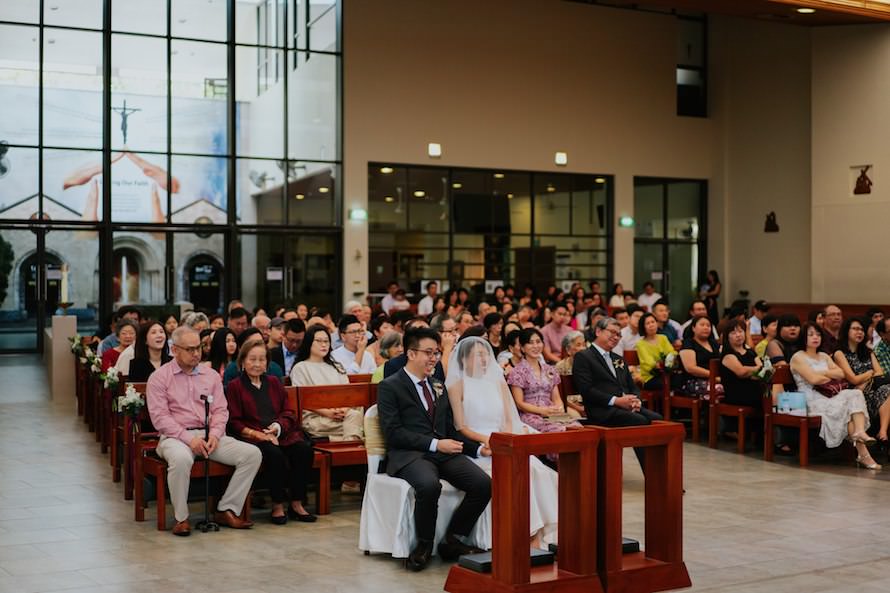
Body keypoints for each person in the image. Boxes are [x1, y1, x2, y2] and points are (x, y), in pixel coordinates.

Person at [376, 327, 492, 571]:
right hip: (410, 454)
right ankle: (424, 544)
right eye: (428, 353)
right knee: (429, 485)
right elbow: (394, 432)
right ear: (410, 353)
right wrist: (434, 444)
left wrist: (479, 449)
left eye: (437, 353)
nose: (434, 359)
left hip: (443, 452)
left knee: (483, 483)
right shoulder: (390, 386)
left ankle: (453, 539)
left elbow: (450, 429)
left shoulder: (438, 385)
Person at [146, 326, 262, 535]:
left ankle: (226, 508)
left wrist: (216, 435)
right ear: (174, 350)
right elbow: (160, 418)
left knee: (252, 454)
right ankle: (182, 518)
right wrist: (189, 440)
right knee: (181, 460)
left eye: (198, 348)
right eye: (190, 349)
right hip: (176, 437)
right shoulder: (159, 377)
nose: (196, 353)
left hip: (210, 435)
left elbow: (221, 410)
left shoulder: (211, 375)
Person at [446, 337, 558, 546]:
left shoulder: (497, 382)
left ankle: (536, 534)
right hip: (479, 445)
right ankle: (526, 536)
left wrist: (505, 438)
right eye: (478, 355)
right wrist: (488, 441)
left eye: (486, 354)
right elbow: (461, 427)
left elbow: (508, 419)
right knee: (513, 471)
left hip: (503, 440)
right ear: (464, 359)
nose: (484, 359)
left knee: (536, 469)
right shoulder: (457, 386)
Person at [225, 341, 316, 525]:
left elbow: (288, 413)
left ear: (267, 363)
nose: (257, 364)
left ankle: (297, 503)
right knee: (274, 455)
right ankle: (277, 504)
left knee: (304, 451)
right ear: (242, 361)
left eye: (261, 359)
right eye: (252, 359)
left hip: (279, 433)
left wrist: (277, 427)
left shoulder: (274, 382)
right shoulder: (235, 386)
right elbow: (234, 422)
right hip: (252, 437)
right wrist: (258, 434)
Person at [572, 317, 663, 469]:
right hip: (602, 410)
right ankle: (654, 476)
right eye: (612, 332)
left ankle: (663, 473)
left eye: (618, 335)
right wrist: (616, 401)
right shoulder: (584, 357)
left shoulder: (618, 358)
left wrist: (636, 400)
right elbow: (586, 390)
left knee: (658, 420)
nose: (615, 337)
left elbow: (632, 386)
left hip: (625, 408)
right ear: (598, 331)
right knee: (640, 421)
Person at [790, 323, 878, 468]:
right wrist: (826, 374)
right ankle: (864, 456)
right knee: (849, 414)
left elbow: (841, 373)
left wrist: (818, 373)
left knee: (855, 393)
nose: (815, 337)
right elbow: (813, 380)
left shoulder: (824, 356)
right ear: (803, 337)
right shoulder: (798, 357)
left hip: (830, 395)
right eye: (811, 334)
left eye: (818, 334)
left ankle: (860, 432)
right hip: (811, 399)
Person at [290, 324, 363, 442]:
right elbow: (301, 399)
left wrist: (344, 409)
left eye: (326, 341)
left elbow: (348, 394)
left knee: (356, 413)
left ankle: (344, 442)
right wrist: (328, 412)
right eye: (319, 341)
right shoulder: (301, 368)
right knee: (356, 421)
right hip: (317, 418)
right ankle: (351, 443)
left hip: (343, 415)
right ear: (309, 342)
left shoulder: (337, 366)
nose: (324, 345)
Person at [508, 328, 581, 433]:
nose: (535, 346)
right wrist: (542, 411)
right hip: (531, 415)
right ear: (523, 348)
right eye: (530, 343)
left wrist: (558, 409)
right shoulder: (517, 372)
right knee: (557, 429)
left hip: (551, 414)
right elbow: (519, 403)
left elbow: (556, 398)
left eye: (538, 342)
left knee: (576, 427)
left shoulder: (550, 370)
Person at [834, 317, 890, 443]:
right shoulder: (840, 353)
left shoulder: (868, 352)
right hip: (854, 396)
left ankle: (882, 432)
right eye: (855, 329)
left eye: (861, 330)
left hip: (872, 391)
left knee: (887, 389)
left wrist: (865, 379)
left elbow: (880, 373)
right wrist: (870, 373)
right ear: (846, 331)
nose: (859, 332)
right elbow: (853, 379)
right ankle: (882, 433)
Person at [719, 319, 765, 438]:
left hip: (752, 388)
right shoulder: (728, 355)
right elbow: (741, 372)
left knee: (768, 397)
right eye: (733, 333)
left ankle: (763, 434)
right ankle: (763, 435)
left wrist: (753, 370)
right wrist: (756, 369)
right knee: (764, 399)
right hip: (736, 392)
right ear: (727, 337)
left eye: (740, 331)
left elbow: (762, 368)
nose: (738, 335)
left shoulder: (750, 351)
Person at [678, 316, 721, 398]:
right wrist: (713, 376)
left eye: (708, 326)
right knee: (722, 389)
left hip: (715, 379)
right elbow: (690, 368)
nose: (706, 327)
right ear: (693, 328)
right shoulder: (688, 343)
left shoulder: (713, 343)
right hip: (694, 381)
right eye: (702, 325)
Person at [635, 312, 676, 391]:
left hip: (666, 372)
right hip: (650, 376)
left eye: (653, 322)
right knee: (664, 383)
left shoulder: (663, 338)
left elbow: (672, 353)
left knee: (678, 378)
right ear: (643, 327)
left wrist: (667, 363)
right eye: (647, 323)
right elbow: (649, 363)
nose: (651, 325)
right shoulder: (640, 344)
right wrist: (664, 363)